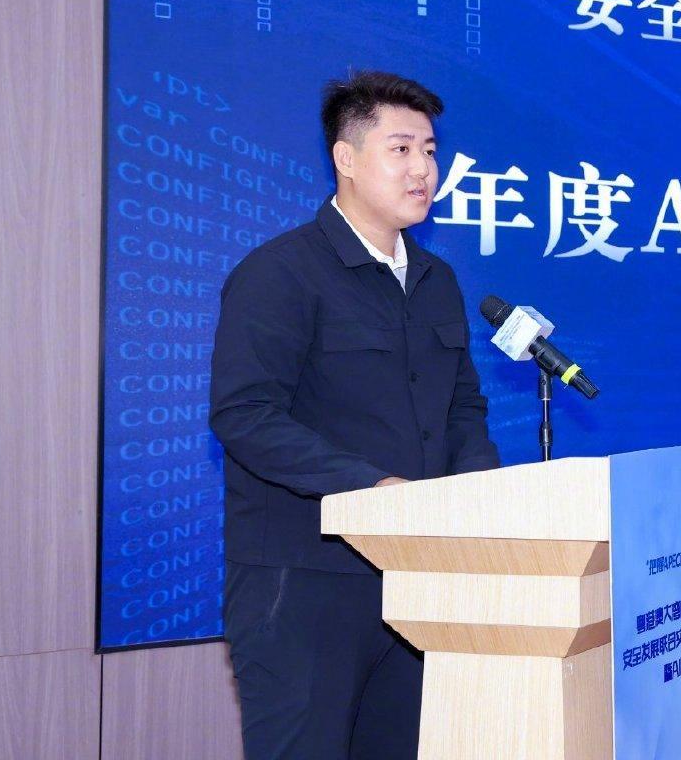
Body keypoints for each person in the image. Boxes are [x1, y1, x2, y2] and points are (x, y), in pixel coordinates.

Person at [209, 70, 499, 759]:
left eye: (430, 150)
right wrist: (373, 488)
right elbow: (245, 414)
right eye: (401, 149)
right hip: (304, 583)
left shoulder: (436, 280)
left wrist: (480, 495)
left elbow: (461, 407)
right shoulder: (280, 273)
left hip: (418, 578)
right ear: (346, 157)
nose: (423, 169)